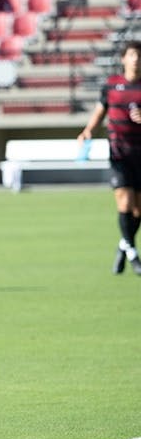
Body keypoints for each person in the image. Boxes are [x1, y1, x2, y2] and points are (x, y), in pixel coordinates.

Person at [78, 41, 141, 275]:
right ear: (124, 58)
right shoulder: (111, 86)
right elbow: (99, 111)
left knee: (137, 211)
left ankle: (123, 245)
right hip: (119, 153)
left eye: (139, 56)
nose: (136, 59)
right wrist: (88, 130)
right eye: (132, 55)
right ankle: (134, 254)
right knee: (124, 203)